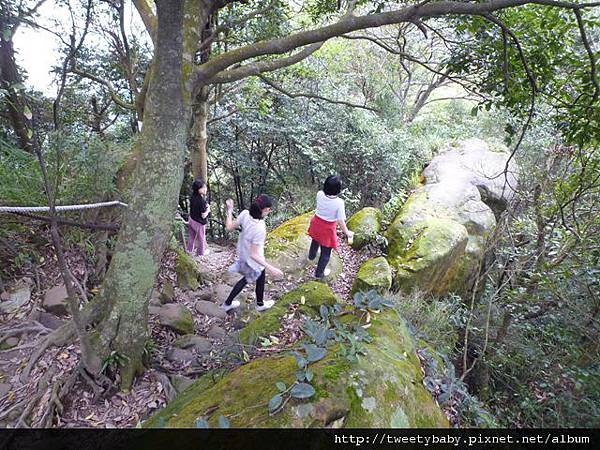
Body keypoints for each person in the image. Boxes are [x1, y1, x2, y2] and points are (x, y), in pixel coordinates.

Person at [221, 195, 284, 312]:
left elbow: (229, 227)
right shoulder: (260, 227)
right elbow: (254, 255)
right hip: (253, 260)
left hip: (242, 254)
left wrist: (229, 210)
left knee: (251, 279)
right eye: (270, 209)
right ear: (265, 210)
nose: (270, 211)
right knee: (252, 278)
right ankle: (256, 305)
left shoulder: (245, 214)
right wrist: (271, 268)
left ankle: (230, 304)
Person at [307, 175, 354, 279]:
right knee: (326, 253)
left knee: (315, 240)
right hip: (327, 229)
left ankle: (311, 256)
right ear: (338, 189)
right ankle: (319, 274)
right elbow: (340, 221)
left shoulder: (319, 194)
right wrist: (347, 232)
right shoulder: (339, 203)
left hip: (316, 223)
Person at [187, 179, 210, 257]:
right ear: (198, 189)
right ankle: (200, 254)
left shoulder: (192, 197)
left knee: (191, 237)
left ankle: (189, 251)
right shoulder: (201, 201)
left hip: (191, 219)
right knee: (201, 239)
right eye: (203, 188)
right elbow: (203, 215)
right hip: (199, 223)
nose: (205, 189)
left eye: (205, 187)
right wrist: (208, 210)